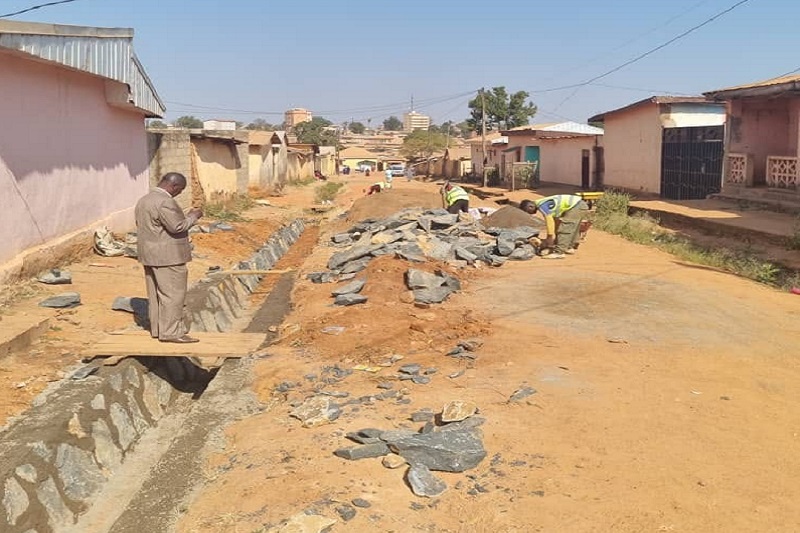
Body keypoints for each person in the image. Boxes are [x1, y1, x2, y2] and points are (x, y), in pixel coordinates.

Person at [135, 172, 203, 343]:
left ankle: (159, 330)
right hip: (168, 257)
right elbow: (177, 226)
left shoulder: (144, 200)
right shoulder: (165, 202)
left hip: (150, 254)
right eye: (180, 190)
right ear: (174, 186)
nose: (179, 193)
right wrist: (193, 216)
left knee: (156, 295)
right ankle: (171, 332)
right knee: (173, 295)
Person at [519, 195, 590, 259]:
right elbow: (555, 221)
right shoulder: (543, 202)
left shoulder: (542, 205)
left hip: (576, 206)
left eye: (528, 211)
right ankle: (569, 247)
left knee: (565, 229)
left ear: (530, 206)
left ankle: (559, 252)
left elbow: (549, 219)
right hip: (580, 205)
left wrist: (549, 236)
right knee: (572, 228)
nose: (529, 214)